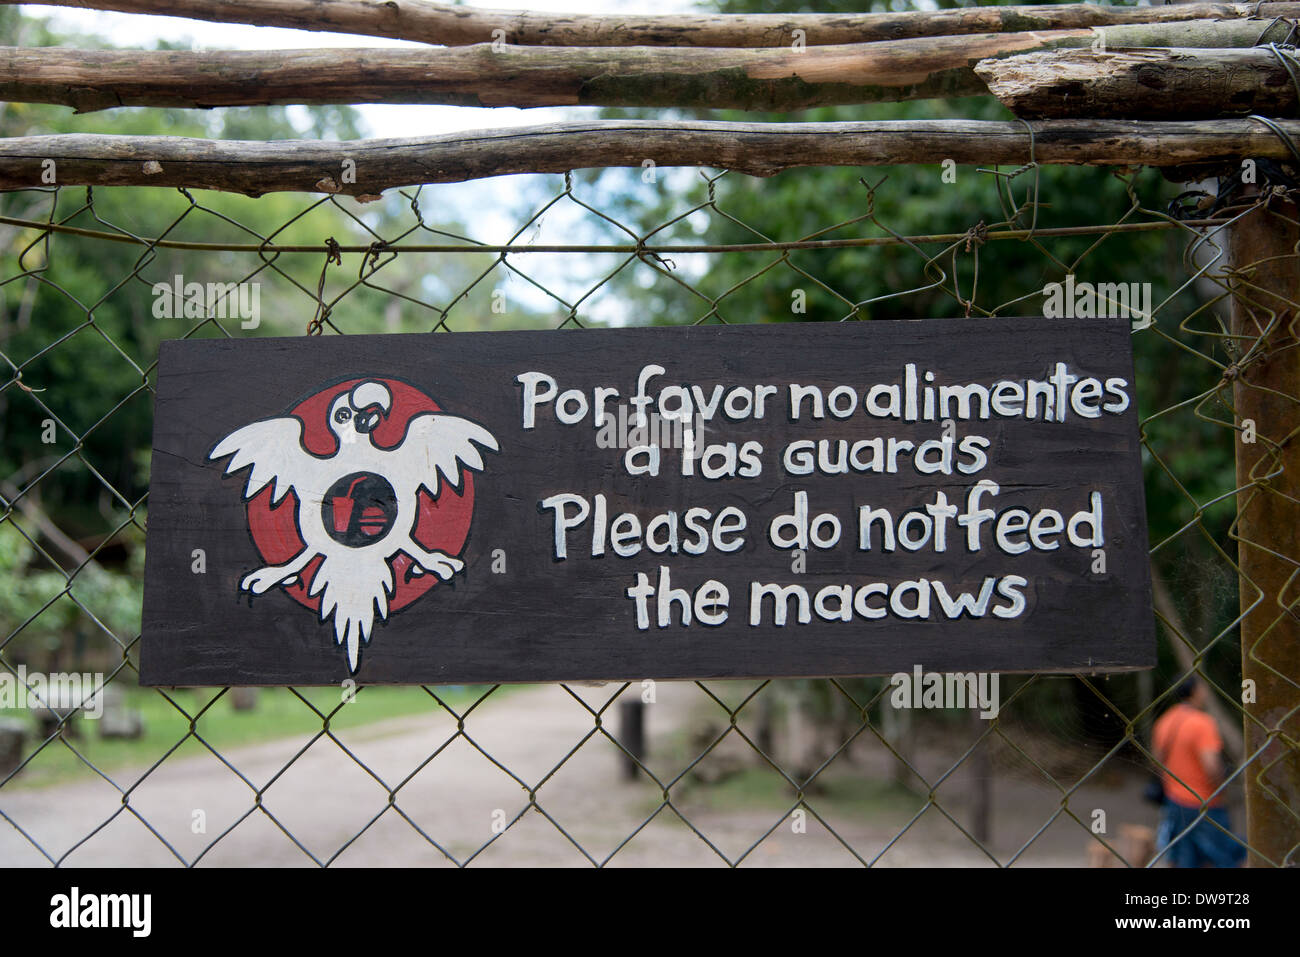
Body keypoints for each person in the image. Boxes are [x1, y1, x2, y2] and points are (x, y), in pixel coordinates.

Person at [1152, 678, 1245, 867]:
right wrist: (1223, 788)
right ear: (1194, 692)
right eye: (1203, 688)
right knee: (1221, 856)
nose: (1206, 693)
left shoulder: (1165, 720)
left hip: (1174, 800)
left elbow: (1156, 761)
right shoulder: (1202, 723)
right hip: (1205, 801)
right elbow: (1211, 766)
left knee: (1184, 858)